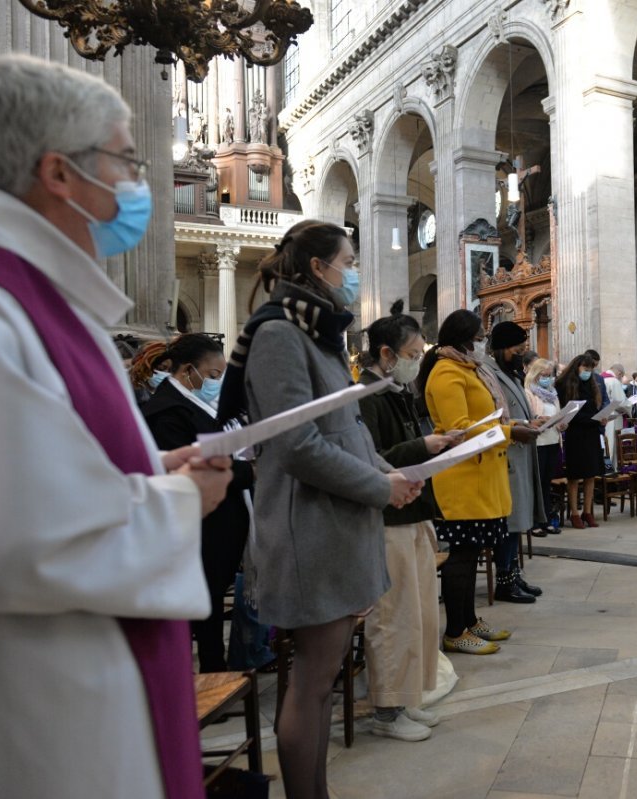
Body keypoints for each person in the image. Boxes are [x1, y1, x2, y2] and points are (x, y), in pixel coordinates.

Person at [0, 55, 234, 798]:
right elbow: (10, 539)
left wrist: (148, 473)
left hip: (72, 681)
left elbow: (37, 476)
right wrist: (182, 501)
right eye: (128, 161)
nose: (138, 185)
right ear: (59, 173)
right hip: (40, 708)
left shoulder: (28, 295)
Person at [225, 220, 422, 799]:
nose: (353, 271)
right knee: (311, 683)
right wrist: (378, 488)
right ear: (318, 267)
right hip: (309, 525)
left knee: (321, 678)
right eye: (349, 260)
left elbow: (342, 430)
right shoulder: (279, 333)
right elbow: (296, 444)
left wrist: (385, 470)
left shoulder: (314, 333)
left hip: (334, 520)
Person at [358, 301, 461, 742]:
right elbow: (371, 461)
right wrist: (426, 446)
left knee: (418, 614)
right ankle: (385, 710)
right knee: (391, 616)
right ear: (386, 354)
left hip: (413, 513)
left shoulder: (396, 394)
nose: (417, 361)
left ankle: (408, 699)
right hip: (387, 518)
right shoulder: (365, 397)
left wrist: (432, 447)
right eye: (412, 354)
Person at [420, 309, 529, 655]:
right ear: (464, 338)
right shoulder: (446, 372)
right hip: (463, 478)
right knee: (462, 557)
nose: (483, 343)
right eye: (480, 337)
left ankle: (469, 620)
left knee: (475, 550)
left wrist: (518, 425)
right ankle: (455, 631)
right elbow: (460, 428)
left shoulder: (472, 370)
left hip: (484, 475)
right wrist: (512, 431)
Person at [143, 333, 252, 674]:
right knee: (204, 602)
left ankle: (216, 671)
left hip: (223, 519)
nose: (217, 383)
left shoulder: (196, 403)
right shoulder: (167, 411)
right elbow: (189, 468)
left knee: (213, 598)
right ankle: (212, 674)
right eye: (214, 375)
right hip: (200, 525)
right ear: (189, 371)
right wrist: (250, 470)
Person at [487, 321, 546, 601]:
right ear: (501, 348)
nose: (521, 354)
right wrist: (521, 424)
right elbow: (494, 415)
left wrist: (531, 421)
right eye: (516, 348)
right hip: (506, 453)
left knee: (518, 518)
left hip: (519, 451)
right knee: (510, 522)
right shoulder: (491, 373)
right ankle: (505, 581)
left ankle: (514, 574)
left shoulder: (509, 372)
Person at [557, 352, 607, 528]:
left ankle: (587, 511)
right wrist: (593, 418)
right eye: (586, 369)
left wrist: (602, 418)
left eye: (591, 369)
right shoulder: (564, 384)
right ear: (577, 367)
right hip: (575, 434)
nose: (588, 372)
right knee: (575, 475)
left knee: (590, 474)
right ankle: (575, 513)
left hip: (592, 433)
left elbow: (595, 406)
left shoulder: (592, 384)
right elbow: (567, 411)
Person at [525, 357, 563, 535]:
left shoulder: (553, 394)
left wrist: (562, 423)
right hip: (538, 442)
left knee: (547, 483)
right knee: (537, 483)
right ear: (535, 375)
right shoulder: (529, 393)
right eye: (544, 375)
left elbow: (559, 415)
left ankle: (546, 520)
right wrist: (539, 420)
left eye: (549, 375)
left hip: (553, 440)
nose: (548, 378)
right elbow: (528, 418)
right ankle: (534, 522)